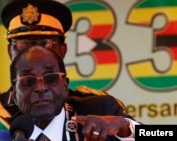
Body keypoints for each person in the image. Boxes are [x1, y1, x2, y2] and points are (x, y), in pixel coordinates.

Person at [0, 0, 140, 140]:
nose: (34, 52)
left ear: (62, 50)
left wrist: (126, 127)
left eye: (45, 43)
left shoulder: (97, 109)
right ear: (10, 51)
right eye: (24, 44)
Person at [8, 46, 137, 141]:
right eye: (28, 81)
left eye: (51, 78)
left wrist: (124, 127)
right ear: (14, 95)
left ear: (65, 86)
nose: (41, 88)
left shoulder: (100, 110)